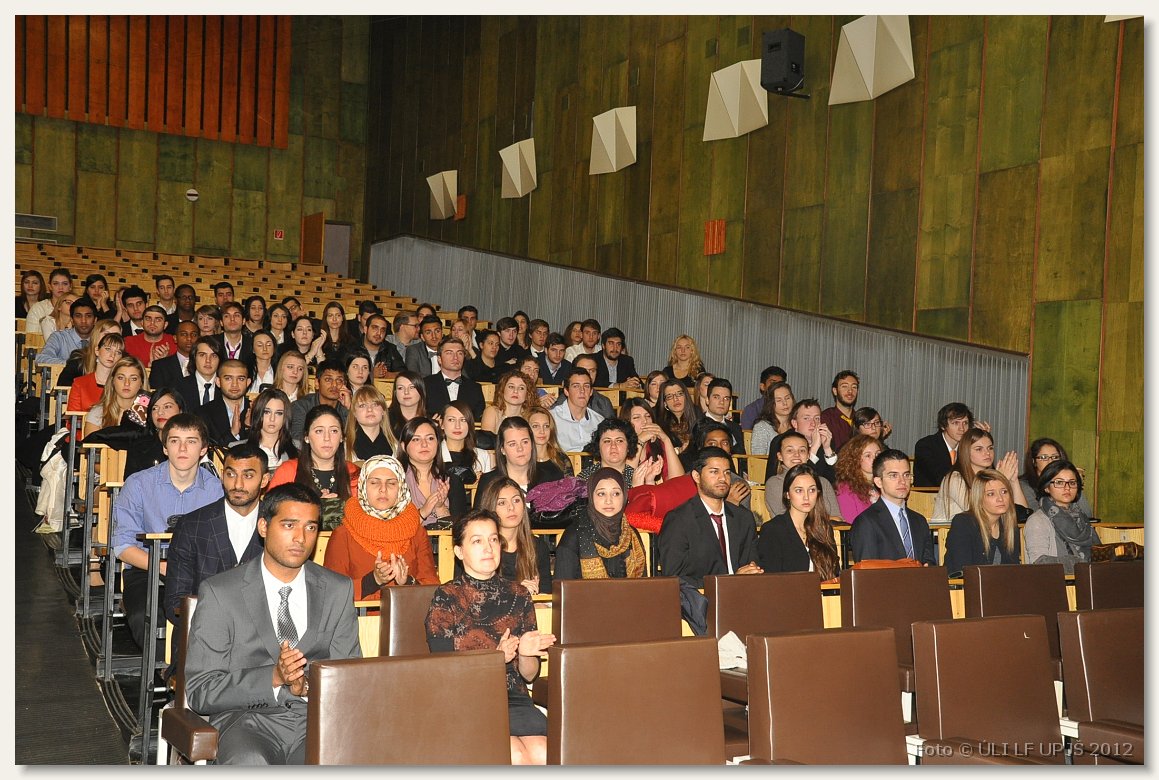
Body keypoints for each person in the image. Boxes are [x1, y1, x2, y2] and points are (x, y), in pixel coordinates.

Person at [185, 482, 362, 765]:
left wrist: (305, 686)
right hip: (245, 720)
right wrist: (274, 677)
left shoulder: (337, 589)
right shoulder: (221, 592)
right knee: (250, 762)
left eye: (311, 527)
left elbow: (349, 680)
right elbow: (201, 691)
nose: (301, 538)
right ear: (264, 527)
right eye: (289, 525)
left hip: (315, 719)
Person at [426, 510, 557, 765]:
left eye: (493, 539)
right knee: (515, 754)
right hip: (466, 697)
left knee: (544, 752)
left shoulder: (519, 594)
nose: (488, 548)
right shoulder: (447, 596)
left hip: (514, 698)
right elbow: (441, 663)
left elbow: (529, 675)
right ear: (459, 551)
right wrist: (494, 658)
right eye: (477, 541)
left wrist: (526, 654)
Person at [111, 414, 223, 649]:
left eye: (191, 441)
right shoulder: (138, 484)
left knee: (215, 617)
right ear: (164, 447)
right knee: (144, 616)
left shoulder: (217, 490)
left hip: (199, 571)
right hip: (147, 568)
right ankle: (164, 667)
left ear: (203, 449)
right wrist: (163, 566)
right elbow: (122, 545)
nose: (182, 448)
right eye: (174, 441)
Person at [164, 442, 271, 631]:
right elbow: (176, 603)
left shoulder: (277, 527)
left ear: (264, 480)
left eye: (248, 475)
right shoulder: (192, 526)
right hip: (202, 636)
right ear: (222, 476)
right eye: (231, 474)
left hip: (262, 640)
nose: (238, 484)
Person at [323, 455, 438, 599]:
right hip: (359, 614)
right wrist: (373, 580)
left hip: (406, 612)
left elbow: (432, 588)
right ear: (363, 486)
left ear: (401, 488)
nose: (383, 489)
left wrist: (407, 582)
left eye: (391, 483)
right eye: (374, 482)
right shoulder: (343, 534)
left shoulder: (417, 532)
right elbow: (331, 592)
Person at [657, 447, 763, 589]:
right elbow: (674, 578)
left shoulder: (743, 518)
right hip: (701, 598)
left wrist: (750, 573)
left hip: (743, 593)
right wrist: (727, 583)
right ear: (696, 476)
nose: (723, 478)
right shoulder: (679, 520)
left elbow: (752, 563)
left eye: (727, 472)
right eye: (714, 472)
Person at [267, 405, 359, 531]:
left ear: (342, 437)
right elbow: (272, 515)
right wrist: (318, 508)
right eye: (319, 431)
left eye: (334, 431)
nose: (327, 438)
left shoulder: (354, 472)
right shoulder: (288, 471)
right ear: (306, 437)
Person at [554, 467, 647, 582]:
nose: (609, 500)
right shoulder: (574, 535)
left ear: (624, 496)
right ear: (591, 496)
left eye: (616, 493)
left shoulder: (632, 534)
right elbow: (563, 588)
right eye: (601, 494)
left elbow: (644, 587)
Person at [848, 449, 936, 565]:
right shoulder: (866, 522)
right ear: (878, 482)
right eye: (894, 475)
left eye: (906, 475)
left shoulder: (919, 521)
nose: (902, 481)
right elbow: (866, 570)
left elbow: (929, 563)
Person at [756, 464, 841, 580]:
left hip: (823, 591)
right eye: (799, 490)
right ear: (787, 494)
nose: (806, 497)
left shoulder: (824, 528)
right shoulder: (773, 530)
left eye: (812, 490)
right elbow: (771, 579)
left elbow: (834, 573)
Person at [470, 477, 552, 594]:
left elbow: (546, 594)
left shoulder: (538, 546)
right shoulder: (481, 548)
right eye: (502, 503)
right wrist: (516, 592)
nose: (511, 507)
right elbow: (474, 594)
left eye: (516, 500)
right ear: (491, 508)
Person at [932, 428, 1028, 522]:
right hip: (949, 531)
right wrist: (1001, 480)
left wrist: (1013, 481)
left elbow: (1024, 514)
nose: (987, 453)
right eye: (979, 449)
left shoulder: (990, 477)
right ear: (966, 452)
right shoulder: (955, 479)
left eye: (990, 448)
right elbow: (979, 511)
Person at [1024, 460, 1100, 574]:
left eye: (1072, 483)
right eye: (1059, 482)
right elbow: (1038, 564)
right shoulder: (1037, 521)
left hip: (1088, 578)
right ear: (1046, 487)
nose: (1067, 488)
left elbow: (1099, 556)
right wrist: (1078, 564)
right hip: (1054, 581)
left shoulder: (1082, 519)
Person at [943, 468, 1022, 577]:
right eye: (991, 494)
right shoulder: (963, 523)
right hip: (964, 586)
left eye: (1004, 492)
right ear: (979, 498)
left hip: (1000, 586)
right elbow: (963, 570)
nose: (1000, 498)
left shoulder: (1009, 526)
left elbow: (1014, 571)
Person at [397, 417, 469, 528]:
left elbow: (462, 530)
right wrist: (422, 512)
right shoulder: (395, 481)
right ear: (403, 446)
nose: (424, 444)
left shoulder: (452, 481)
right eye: (416, 439)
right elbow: (392, 528)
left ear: (438, 443)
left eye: (430, 438)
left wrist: (440, 508)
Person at [476, 416, 566, 502]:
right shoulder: (488, 482)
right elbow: (481, 513)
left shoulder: (551, 478)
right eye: (512, 444)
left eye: (525, 442)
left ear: (532, 444)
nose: (520, 449)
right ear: (502, 449)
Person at [764, 431, 842, 521]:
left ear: (808, 455)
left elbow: (837, 519)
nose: (797, 455)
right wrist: (823, 519)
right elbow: (788, 520)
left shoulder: (823, 482)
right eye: (790, 450)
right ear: (780, 456)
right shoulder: (774, 483)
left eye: (802, 450)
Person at [913, 402, 989, 488]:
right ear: (943, 426)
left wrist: (981, 442)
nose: (962, 428)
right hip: (931, 495)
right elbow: (942, 479)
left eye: (965, 423)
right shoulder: (925, 445)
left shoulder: (969, 446)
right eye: (956, 423)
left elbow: (987, 474)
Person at [577, 417, 662, 488]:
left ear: (628, 447)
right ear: (598, 447)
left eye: (619, 441)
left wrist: (649, 482)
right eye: (607, 441)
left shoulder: (639, 476)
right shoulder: (585, 478)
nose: (613, 446)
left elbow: (649, 503)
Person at [1019, 437, 1093, 516]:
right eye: (1044, 457)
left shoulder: (1067, 482)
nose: (1050, 461)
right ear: (1034, 462)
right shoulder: (1024, 485)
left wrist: (1075, 482)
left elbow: (1087, 514)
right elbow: (1035, 513)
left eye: (1055, 457)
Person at [619, 397, 684, 482]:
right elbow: (626, 481)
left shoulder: (657, 445)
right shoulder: (619, 446)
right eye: (637, 417)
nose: (645, 421)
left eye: (648, 416)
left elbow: (679, 481)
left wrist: (666, 440)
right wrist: (640, 441)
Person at [423, 336, 486, 420]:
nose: (455, 357)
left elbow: (477, 419)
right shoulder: (425, 385)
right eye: (449, 353)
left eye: (460, 353)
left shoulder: (475, 388)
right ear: (439, 359)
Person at [288, 359, 349, 446]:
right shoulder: (301, 406)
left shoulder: (346, 408)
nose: (334, 385)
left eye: (339, 380)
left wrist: (349, 410)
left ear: (345, 385)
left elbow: (353, 440)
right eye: (328, 379)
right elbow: (297, 440)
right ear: (317, 383)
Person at [83, 355, 147, 438]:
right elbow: (90, 445)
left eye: (133, 379)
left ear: (141, 382)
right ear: (112, 380)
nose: (126, 383)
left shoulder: (151, 414)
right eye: (121, 378)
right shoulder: (98, 413)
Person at [66, 332, 125, 415]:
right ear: (97, 350)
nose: (112, 355)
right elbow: (73, 419)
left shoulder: (123, 385)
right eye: (108, 349)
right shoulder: (80, 383)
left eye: (118, 352)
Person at [199, 359, 252, 448]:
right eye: (228, 378)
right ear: (218, 382)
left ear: (248, 382)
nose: (234, 384)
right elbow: (205, 449)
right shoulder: (203, 414)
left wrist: (248, 428)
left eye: (241, 379)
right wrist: (232, 433)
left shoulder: (257, 410)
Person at [549, 367, 604, 452]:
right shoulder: (552, 418)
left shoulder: (599, 421)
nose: (582, 391)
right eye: (576, 386)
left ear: (591, 392)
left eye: (586, 386)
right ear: (566, 391)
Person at [785, 398, 838, 483]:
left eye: (817, 418)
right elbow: (800, 479)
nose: (813, 423)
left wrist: (827, 449)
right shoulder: (783, 442)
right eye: (806, 418)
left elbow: (834, 480)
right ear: (795, 423)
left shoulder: (826, 441)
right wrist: (814, 449)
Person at [439, 400, 492, 485]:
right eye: (451, 420)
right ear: (441, 423)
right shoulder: (433, 454)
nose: (457, 426)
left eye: (463, 420)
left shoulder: (482, 455)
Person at [834, 434, 883, 522]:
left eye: (878, 454)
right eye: (868, 455)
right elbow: (851, 523)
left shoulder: (885, 485)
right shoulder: (845, 489)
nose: (875, 459)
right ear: (855, 459)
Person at [246, 388, 298, 470]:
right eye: (266, 412)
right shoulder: (237, 448)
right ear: (258, 413)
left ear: (286, 416)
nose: (272, 419)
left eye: (279, 413)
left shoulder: (299, 448)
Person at [38, 296, 97, 364]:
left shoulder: (101, 339)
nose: (83, 321)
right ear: (72, 320)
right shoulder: (59, 337)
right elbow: (42, 358)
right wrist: (71, 365)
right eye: (78, 316)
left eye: (88, 316)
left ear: (95, 320)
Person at [344, 385, 392, 461]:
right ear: (354, 412)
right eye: (362, 405)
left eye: (375, 404)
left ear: (383, 410)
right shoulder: (344, 447)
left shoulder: (395, 447)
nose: (369, 409)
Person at [150, 320, 200, 392]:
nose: (189, 338)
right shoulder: (160, 366)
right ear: (175, 338)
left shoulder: (204, 364)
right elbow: (157, 394)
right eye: (184, 334)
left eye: (194, 335)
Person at [176, 336, 223, 411]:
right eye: (202, 355)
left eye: (214, 356)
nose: (208, 360)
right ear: (194, 357)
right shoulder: (178, 387)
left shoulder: (226, 388)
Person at [702, 377, 746, 455]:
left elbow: (742, 458)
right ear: (707, 400)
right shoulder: (697, 426)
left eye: (726, 398)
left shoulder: (736, 428)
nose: (721, 402)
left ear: (730, 402)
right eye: (716, 397)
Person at [749, 381, 794, 456]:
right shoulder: (762, 426)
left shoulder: (798, 424)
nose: (785, 403)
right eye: (779, 400)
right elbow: (758, 458)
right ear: (770, 403)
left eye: (787, 398)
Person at [385, 370, 428, 449]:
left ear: (421, 390)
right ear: (395, 393)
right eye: (400, 388)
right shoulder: (385, 419)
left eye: (412, 387)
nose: (406, 392)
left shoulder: (431, 419)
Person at [526, 407, 574, 477]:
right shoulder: (521, 459)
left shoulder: (561, 458)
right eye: (535, 426)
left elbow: (571, 483)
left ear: (551, 429)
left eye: (546, 426)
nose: (542, 431)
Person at [819, 370, 860, 452]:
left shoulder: (860, 419)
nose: (850, 391)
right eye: (844, 386)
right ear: (835, 391)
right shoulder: (825, 418)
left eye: (854, 387)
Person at [739, 365, 787, 431]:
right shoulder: (752, 410)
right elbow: (747, 435)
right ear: (762, 386)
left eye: (780, 384)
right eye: (773, 383)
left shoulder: (788, 407)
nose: (777, 387)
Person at [25, 267, 72, 334]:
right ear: (50, 286)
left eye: (65, 284)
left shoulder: (77, 308)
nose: (60, 287)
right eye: (56, 283)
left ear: (70, 287)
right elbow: (31, 337)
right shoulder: (38, 308)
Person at [656, 379, 697, 453]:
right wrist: (678, 451)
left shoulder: (698, 415)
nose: (676, 399)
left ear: (686, 397)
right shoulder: (659, 424)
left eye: (679, 394)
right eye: (669, 397)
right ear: (665, 403)